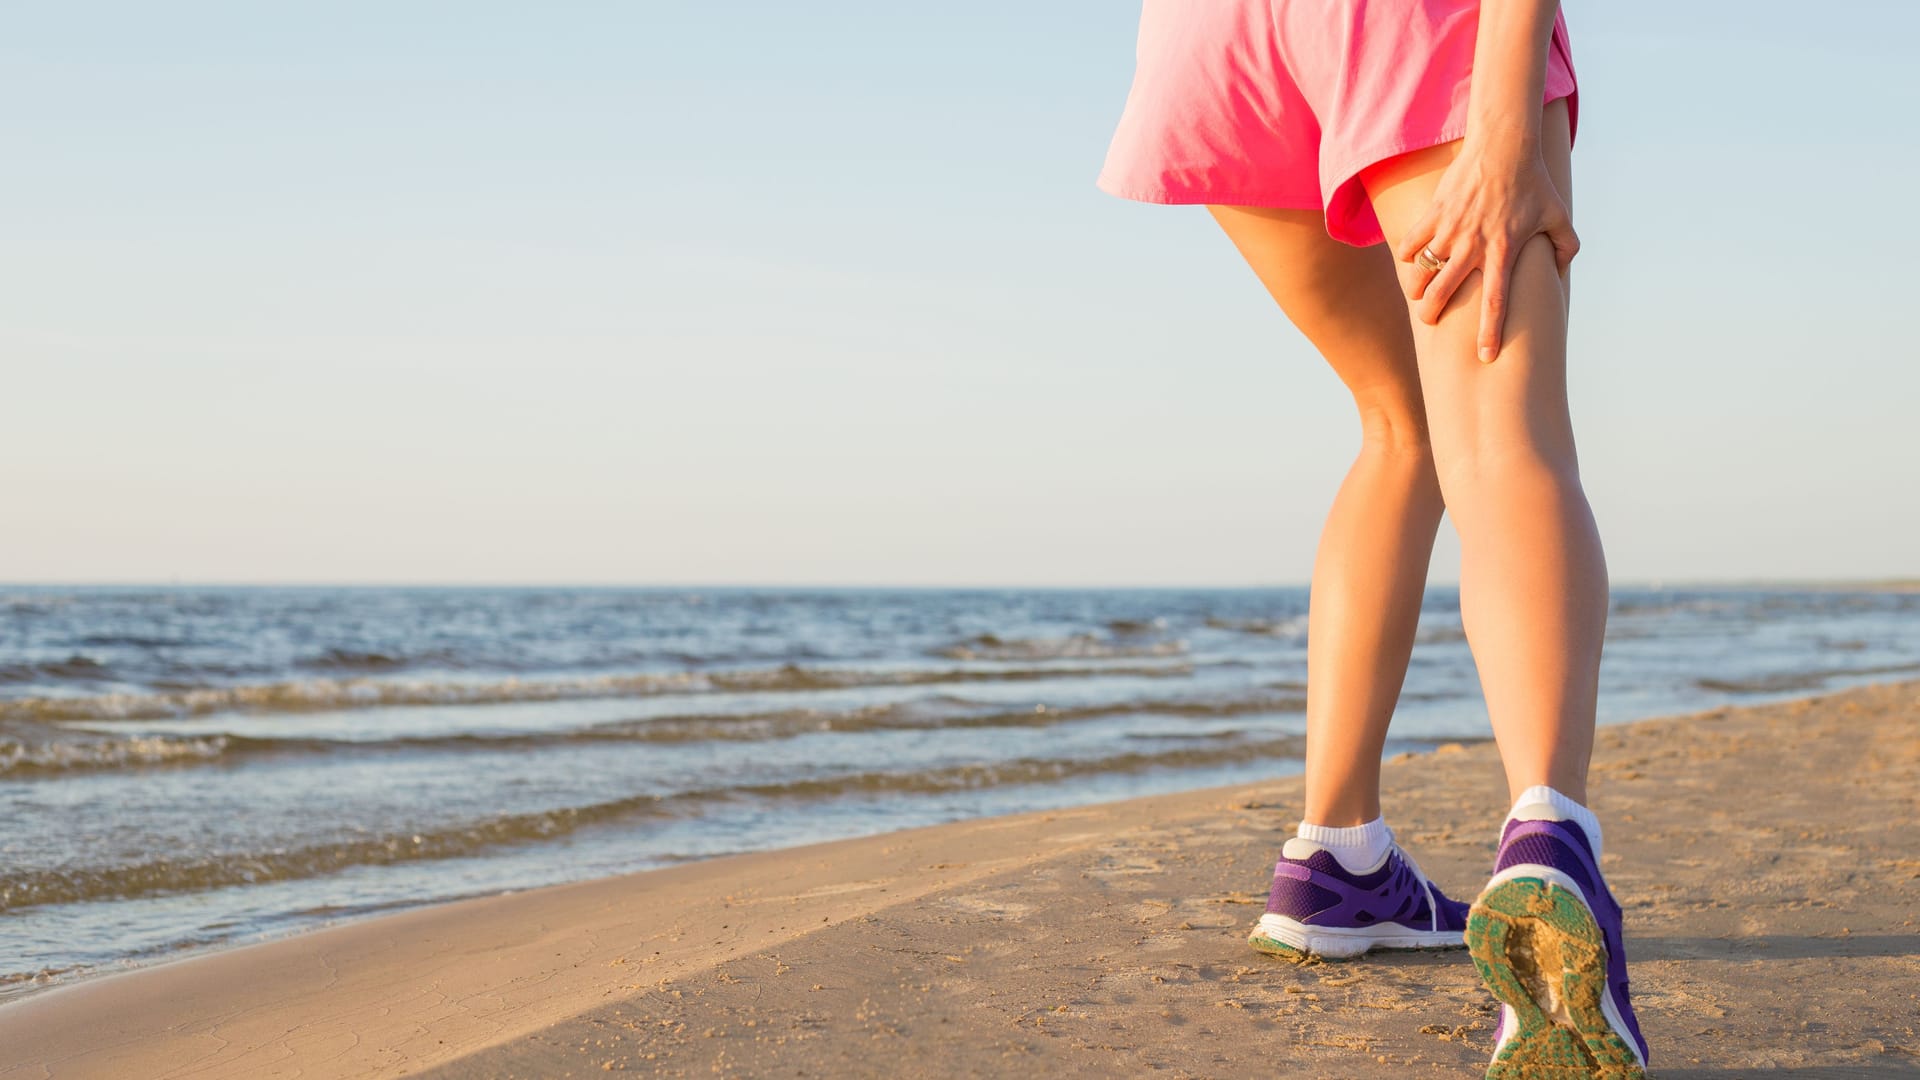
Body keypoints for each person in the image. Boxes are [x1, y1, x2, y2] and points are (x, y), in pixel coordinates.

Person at [1096, 2, 1646, 1076]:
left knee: (1401, 422)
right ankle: (1551, 841)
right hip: (1409, 24)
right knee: (1500, 432)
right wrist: (1501, 122)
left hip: (1212, 35)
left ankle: (1338, 857)